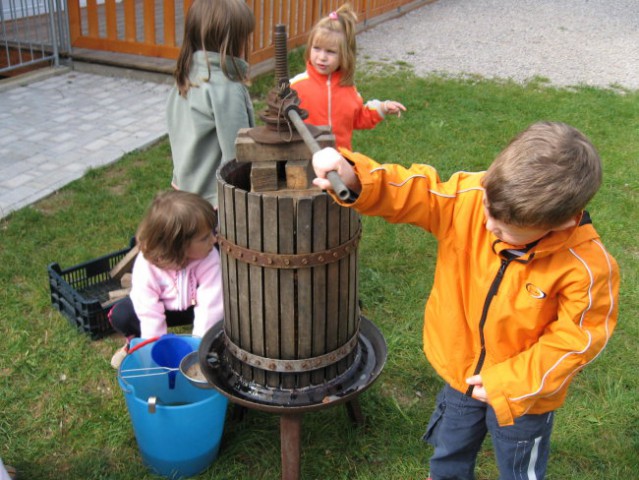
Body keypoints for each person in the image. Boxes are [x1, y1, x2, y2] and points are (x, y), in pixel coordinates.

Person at [311, 121, 620, 479]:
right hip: (461, 372)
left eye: (505, 231)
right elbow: (416, 193)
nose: (488, 226)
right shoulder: (472, 198)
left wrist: (509, 383)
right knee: (449, 451)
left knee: (519, 466)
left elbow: (578, 339)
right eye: (489, 211)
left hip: (525, 396)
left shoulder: (586, 268)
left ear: (563, 223)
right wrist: (354, 177)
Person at [109, 190, 224, 369]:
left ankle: (214, 348)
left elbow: (211, 307)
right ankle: (136, 345)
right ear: (179, 245)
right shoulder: (146, 265)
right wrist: (153, 355)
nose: (214, 239)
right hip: (163, 308)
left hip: (194, 306)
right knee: (122, 314)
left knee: (223, 315)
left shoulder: (209, 257)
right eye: (205, 237)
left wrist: (197, 354)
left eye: (213, 232)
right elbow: (149, 313)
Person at [166, 0, 255, 208]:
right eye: (245, 37)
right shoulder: (226, 88)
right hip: (215, 202)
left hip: (185, 192)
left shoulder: (188, 76)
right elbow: (238, 155)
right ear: (231, 41)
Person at [290, 3, 406, 151]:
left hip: (342, 159)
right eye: (317, 48)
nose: (322, 57)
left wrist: (382, 108)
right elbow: (280, 116)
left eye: (330, 52)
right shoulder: (296, 86)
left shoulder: (348, 89)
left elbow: (358, 118)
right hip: (306, 157)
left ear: (344, 55)